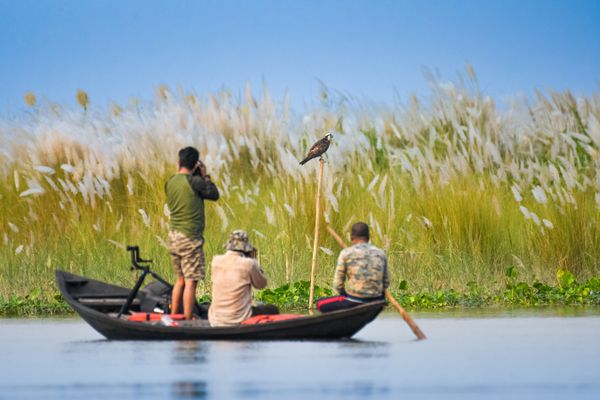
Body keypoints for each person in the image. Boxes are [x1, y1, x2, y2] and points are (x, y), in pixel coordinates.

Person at [165, 146, 219, 320]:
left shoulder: (171, 182)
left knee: (180, 280)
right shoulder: (195, 182)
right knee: (191, 282)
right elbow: (214, 194)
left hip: (173, 237)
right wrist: (204, 176)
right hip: (190, 238)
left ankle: (174, 317)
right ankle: (188, 320)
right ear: (196, 164)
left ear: (179, 161)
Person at [208, 230, 279, 327]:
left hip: (215, 319)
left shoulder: (216, 260)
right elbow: (261, 284)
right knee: (272, 309)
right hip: (240, 318)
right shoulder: (248, 264)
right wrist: (254, 261)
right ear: (246, 248)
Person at [317, 222, 389, 313]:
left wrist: (344, 295)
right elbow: (386, 282)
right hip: (377, 300)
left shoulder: (346, 253)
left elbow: (338, 284)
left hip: (355, 300)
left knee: (320, 304)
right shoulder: (381, 253)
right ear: (368, 238)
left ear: (351, 238)